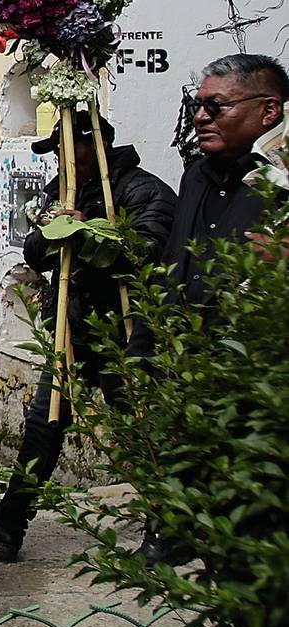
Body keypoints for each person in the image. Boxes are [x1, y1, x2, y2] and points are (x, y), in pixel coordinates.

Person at [0, 112, 177, 563]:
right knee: (44, 421)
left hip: (125, 334)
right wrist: (56, 227)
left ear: (91, 146)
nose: (58, 160)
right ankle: (9, 521)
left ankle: (166, 529)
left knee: (139, 428)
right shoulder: (63, 191)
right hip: (75, 328)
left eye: (64, 149)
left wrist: (87, 232)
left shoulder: (144, 191)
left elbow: (148, 253)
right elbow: (35, 253)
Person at [127, 53, 288, 564]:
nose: (201, 118)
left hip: (257, 374)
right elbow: (178, 259)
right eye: (198, 106)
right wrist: (146, 346)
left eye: (216, 106)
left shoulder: (279, 182)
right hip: (189, 363)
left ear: (269, 111)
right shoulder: (196, 175)